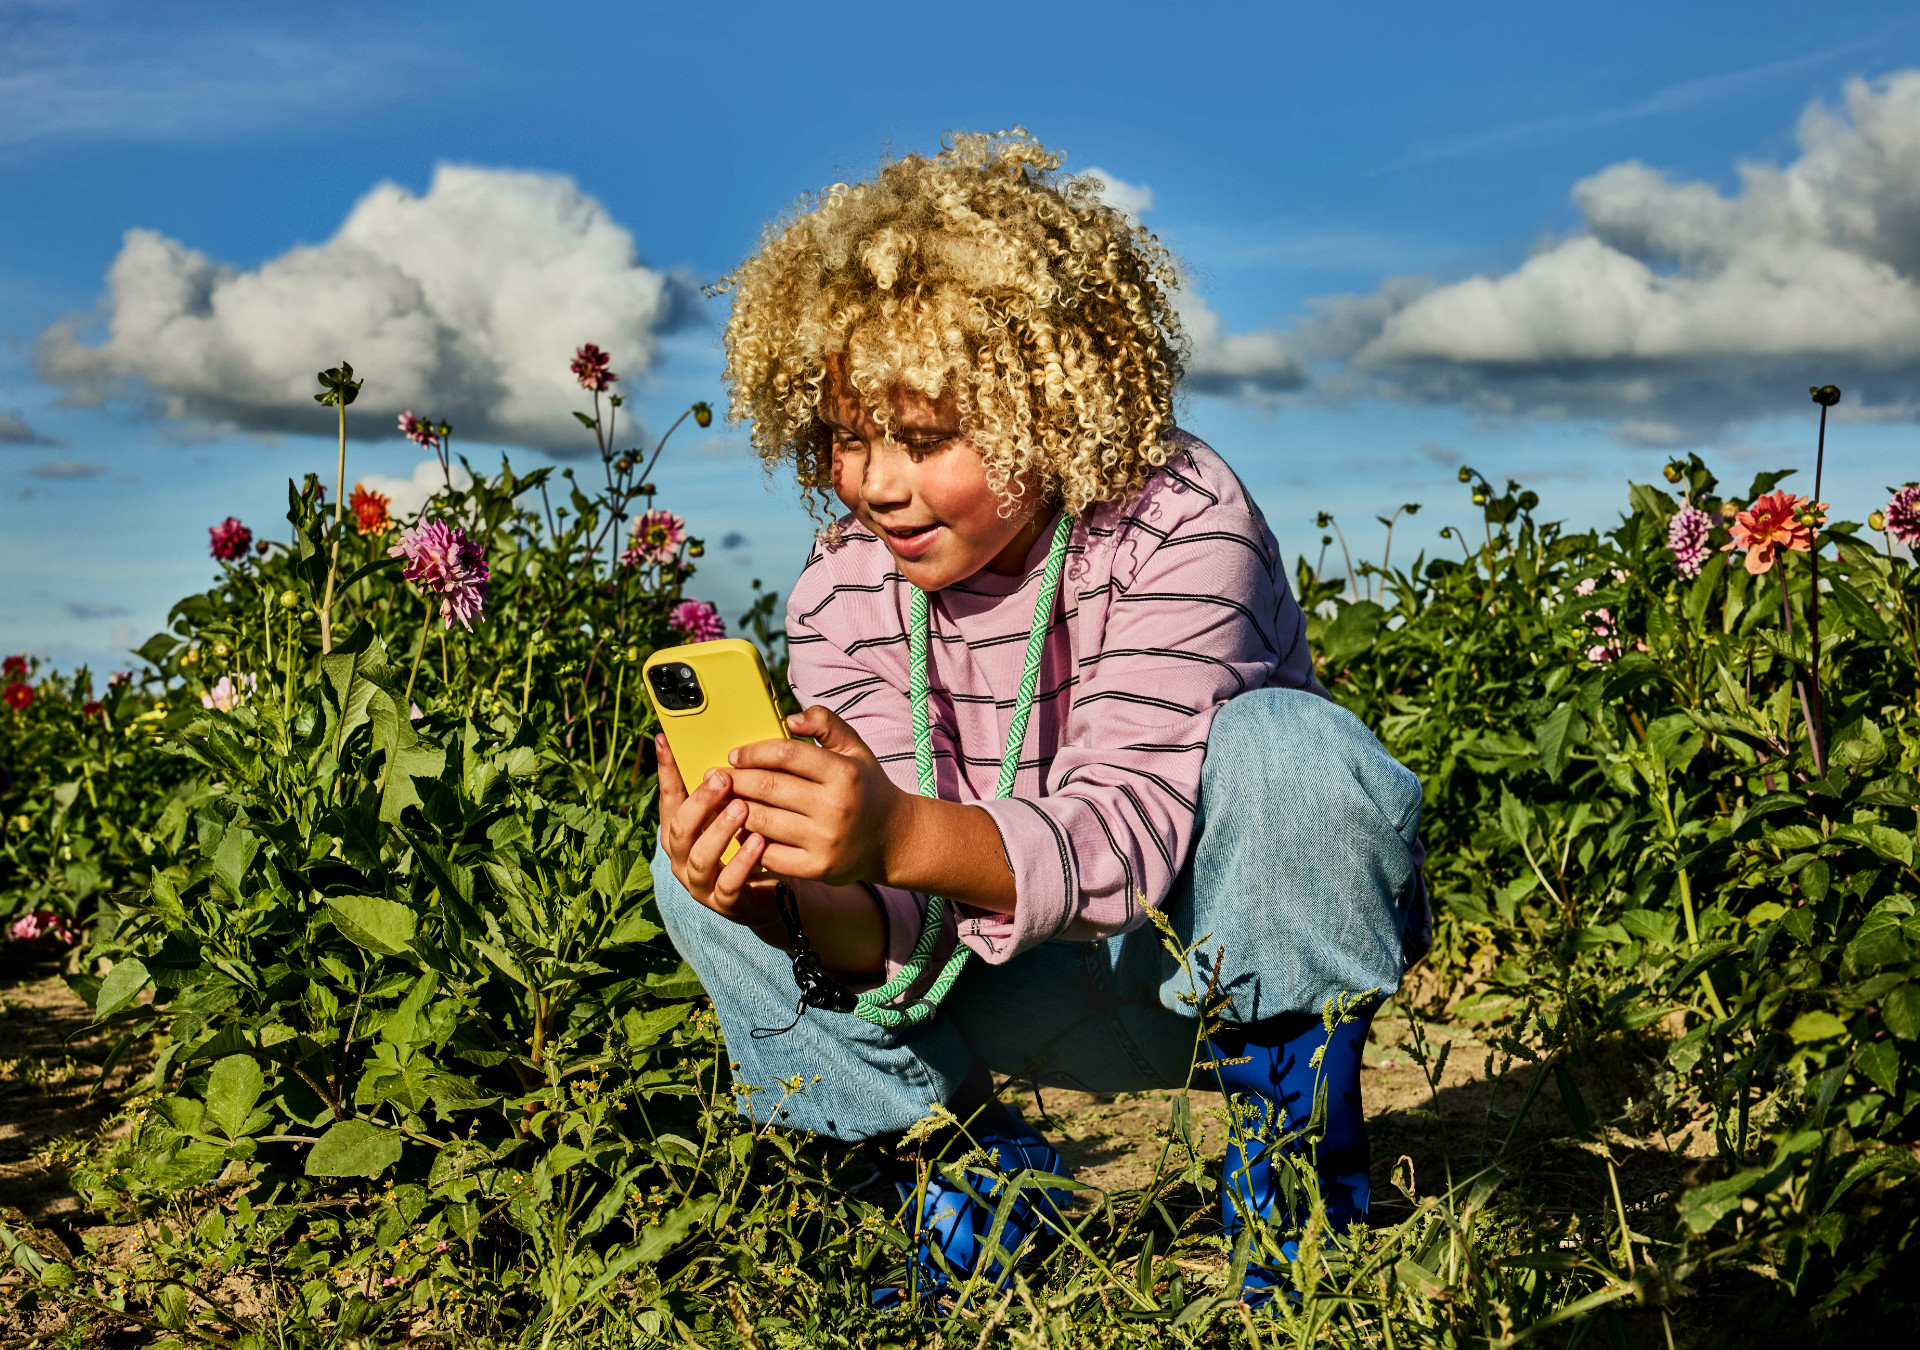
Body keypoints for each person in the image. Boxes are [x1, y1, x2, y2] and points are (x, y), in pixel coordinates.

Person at [651, 130, 1427, 1305]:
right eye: (847, 437)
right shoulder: (843, 587)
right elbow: (899, 938)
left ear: (1051, 403)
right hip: (995, 985)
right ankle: (961, 1169)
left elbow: (1125, 828)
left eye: (924, 439)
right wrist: (792, 896)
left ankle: (1297, 1162)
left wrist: (896, 834)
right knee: (701, 868)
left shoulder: (1174, 514)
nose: (876, 484)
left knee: (1295, 754)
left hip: (1198, 960)